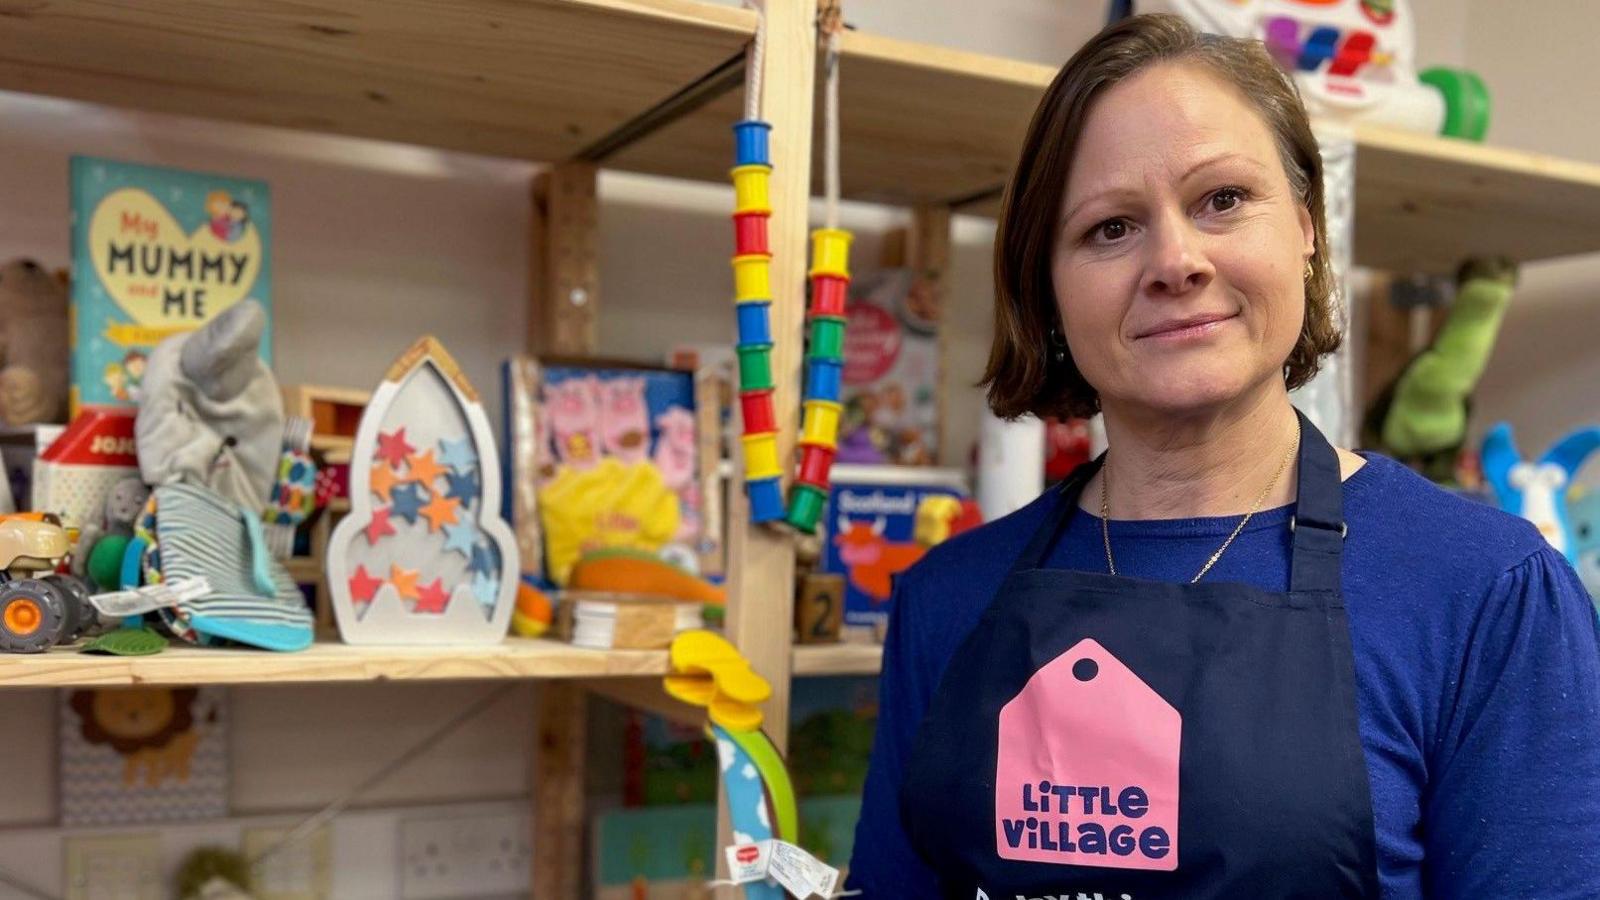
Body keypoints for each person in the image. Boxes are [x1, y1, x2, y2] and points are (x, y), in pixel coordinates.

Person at [846, 14, 1600, 900]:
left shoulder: (1487, 593)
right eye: (1110, 228)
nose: (1175, 261)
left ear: (1308, 227)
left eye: (1224, 201)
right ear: (1047, 288)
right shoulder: (949, 598)